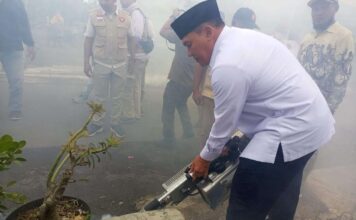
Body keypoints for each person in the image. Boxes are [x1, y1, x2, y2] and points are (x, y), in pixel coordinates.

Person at [171, 1, 335, 219]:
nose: (189, 53)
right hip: (311, 124)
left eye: (189, 44)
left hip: (290, 129)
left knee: (245, 199)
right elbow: (262, 98)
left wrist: (205, 158)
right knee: (283, 189)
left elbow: (224, 123)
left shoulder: (227, 64)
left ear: (208, 32)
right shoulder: (243, 38)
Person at [193, 7, 259, 147]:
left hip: (234, 98)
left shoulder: (250, 44)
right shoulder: (219, 38)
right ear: (236, 21)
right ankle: (203, 163)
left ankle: (219, 165)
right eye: (245, 24)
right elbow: (200, 63)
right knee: (206, 133)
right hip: (211, 95)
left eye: (250, 26)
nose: (248, 28)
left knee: (228, 137)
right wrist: (196, 89)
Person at [84, 0, 132, 137]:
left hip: (120, 64)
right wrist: (86, 62)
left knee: (118, 96)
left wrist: (133, 58)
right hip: (101, 63)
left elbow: (133, 38)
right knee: (99, 96)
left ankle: (115, 124)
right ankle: (97, 123)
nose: (102, 1)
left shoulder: (126, 17)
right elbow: (88, 39)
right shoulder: (93, 16)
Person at [298, 0, 354, 114]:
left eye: (324, 7)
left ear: (335, 9)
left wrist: (327, 112)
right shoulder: (308, 36)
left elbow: (341, 81)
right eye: (315, 9)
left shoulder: (343, 35)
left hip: (318, 109)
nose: (318, 13)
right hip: (297, 103)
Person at [159, 9, 196, 144]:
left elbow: (163, 31)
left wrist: (173, 15)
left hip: (178, 78)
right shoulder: (197, 34)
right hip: (191, 80)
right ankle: (188, 131)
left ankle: (168, 138)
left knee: (168, 106)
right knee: (180, 103)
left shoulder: (182, 34)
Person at [0, 0, 36, 120]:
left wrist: (30, 43)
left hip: (13, 46)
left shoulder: (15, 2)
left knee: (16, 81)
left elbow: (23, 22)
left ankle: (15, 109)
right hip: (11, 46)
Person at [120, 0, 151, 121]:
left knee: (130, 85)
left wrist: (131, 57)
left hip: (136, 55)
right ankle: (136, 112)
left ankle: (130, 114)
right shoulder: (139, 12)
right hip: (140, 55)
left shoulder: (135, 14)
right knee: (137, 85)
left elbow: (135, 37)